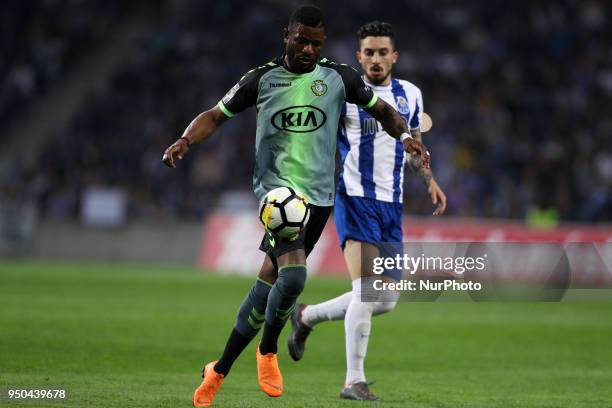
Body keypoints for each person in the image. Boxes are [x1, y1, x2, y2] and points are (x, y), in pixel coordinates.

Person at [162, 7, 430, 407]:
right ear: (286, 35)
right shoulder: (262, 79)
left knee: (269, 279)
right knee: (293, 279)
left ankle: (217, 370)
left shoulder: (338, 77)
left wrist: (407, 136)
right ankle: (267, 351)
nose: (307, 49)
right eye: (301, 40)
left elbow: (384, 111)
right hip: (279, 196)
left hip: (321, 196)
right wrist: (185, 140)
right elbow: (215, 115)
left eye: (315, 43)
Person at [287, 21, 447, 401]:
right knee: (367, 289)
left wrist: (430, 181)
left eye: (382, 52)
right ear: (359, 58)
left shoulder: (410, 94)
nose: (375, 59)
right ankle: (352, 380)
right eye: (368, 53)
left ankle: (306, 316)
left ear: (394, 56)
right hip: (354, 197)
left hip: (391, 204)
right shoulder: (343, 94)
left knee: (386, 300)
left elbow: (414, 146)